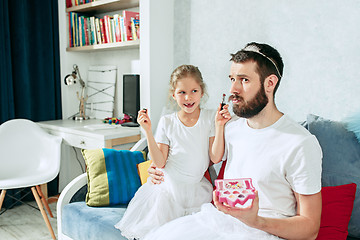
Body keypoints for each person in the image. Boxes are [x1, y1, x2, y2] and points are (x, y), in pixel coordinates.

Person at [144, 42, 323, 240]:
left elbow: (310, 229)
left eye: (244, 80)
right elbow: (191, 151)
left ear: (270, 83)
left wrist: (255, 221)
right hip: (220, 223)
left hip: (263, 232)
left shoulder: (300, 143)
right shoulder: (231, 130)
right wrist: (159, 167)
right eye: (232, 79)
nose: (233, 89)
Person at [114, 64, 231, 239]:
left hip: (196, 190)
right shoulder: (167, 122)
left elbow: (215, 157)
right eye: (182, 92)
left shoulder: (209, 118)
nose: (188, 97)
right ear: (173, 94)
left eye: (194, 91)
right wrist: (147, 131)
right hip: (168, 191)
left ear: (202, 91)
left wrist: (220, 126)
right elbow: (160, 162)